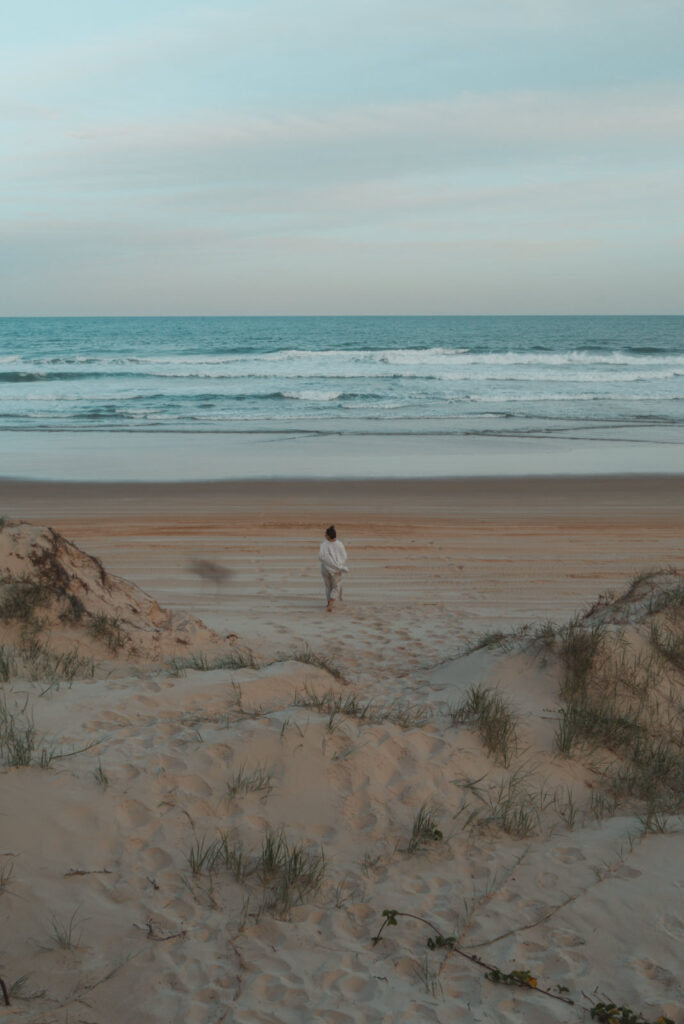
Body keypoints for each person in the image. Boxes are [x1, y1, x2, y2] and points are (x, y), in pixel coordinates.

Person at [318, 525, 348, 612]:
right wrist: (338, 565)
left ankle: (329, 602)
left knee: (328, 586)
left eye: (325, 534)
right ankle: (331, 601)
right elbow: (344, 557)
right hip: (336, 569)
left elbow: (320, 557)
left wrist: (329, 563)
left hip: (325, 568)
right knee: (336, 586)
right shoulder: (340, 544)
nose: (324, 535)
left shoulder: (324, 544)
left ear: (328, 536)